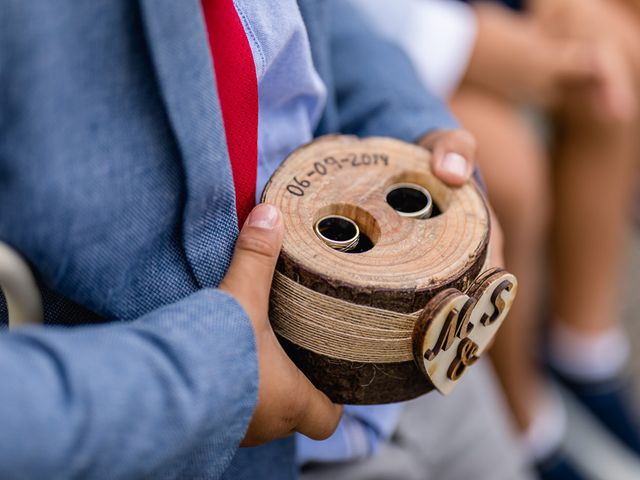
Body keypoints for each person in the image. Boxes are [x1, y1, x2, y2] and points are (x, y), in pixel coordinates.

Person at [0, 1, 484, 478]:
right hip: (203, 445)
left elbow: (311, 17)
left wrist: (404, 124)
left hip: (429, 359)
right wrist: (206, 383)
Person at [353, 0, 640, 478]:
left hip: (465, 17)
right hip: (396, 36)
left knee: (615, 59)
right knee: (505, 175)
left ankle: (582, 349)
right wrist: (470, 43)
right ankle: (522, 415)